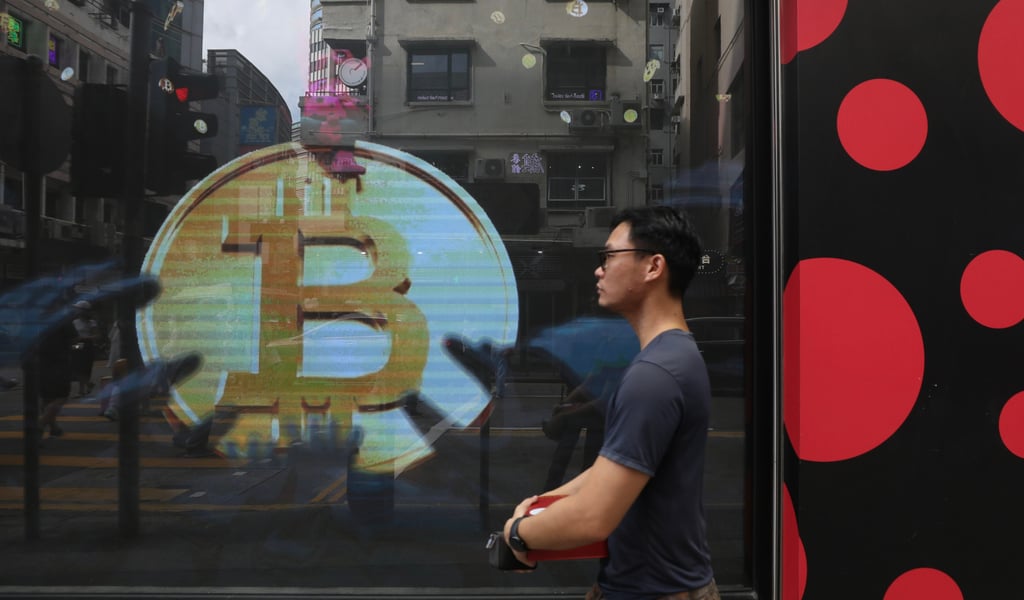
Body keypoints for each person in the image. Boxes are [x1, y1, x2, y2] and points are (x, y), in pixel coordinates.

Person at [503, 206, 718, 599]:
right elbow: (614, 469)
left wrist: (517, 535)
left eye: (609, 256)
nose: (598, 270)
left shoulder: (655, 375)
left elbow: (593, 518)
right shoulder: (672, 356)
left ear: (653, 267)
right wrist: (545, 503)